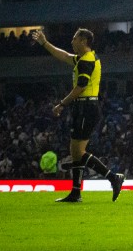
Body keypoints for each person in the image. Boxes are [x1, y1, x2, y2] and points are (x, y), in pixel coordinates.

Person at [33, 28, 124, 203]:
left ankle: (112, 178)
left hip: (86, 107)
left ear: (83, 41)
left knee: (78, 152)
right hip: (85, 107)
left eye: (74, 38)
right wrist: (45, 43)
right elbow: (64, 56)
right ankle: (76, 192)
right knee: (76, 152)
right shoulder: (85, 59)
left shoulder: (86, 61)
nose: (72, 41)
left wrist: (62, 103)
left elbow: (80, 86)